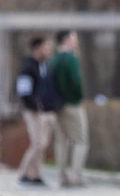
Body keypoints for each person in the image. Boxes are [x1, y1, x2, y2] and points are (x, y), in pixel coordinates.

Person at [15, 36, 61, 185]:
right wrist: (33, 107)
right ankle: (24, 172)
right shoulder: (28, 67)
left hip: (46, 111)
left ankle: (35, 174)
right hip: (33, 111)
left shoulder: (45, 66)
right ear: (37, 49)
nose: (48, 51)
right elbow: (23, 90)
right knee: (37, 143)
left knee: (43, 144)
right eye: (45, 48)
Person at [50, 30, 89, 187]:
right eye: (74, 39)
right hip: (72, 104)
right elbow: (75, 81)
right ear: (66, 39)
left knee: (61, 140)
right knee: (81, 140)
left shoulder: (54, 59)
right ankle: (76, 175)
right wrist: (79, 97)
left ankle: (62, 175)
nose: (76, 42)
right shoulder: (70, 58)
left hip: (57, 105)